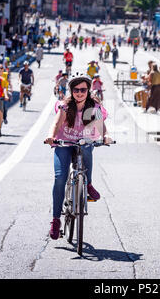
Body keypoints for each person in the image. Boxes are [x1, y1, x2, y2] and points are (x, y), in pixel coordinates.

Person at [44, 73, 113, 240]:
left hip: (83, 142)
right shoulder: (65, 106)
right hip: (64, 143)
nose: (80, 93)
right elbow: (56, 123)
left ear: (88, 90)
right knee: (60, 178)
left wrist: (106, 136)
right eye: (76, 90)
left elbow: (100, 125)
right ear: (71, 91)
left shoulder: (93, 107)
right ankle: (55, 221)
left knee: (87, 148)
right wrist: (51, 136)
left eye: (83, 89)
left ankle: (88, 184)